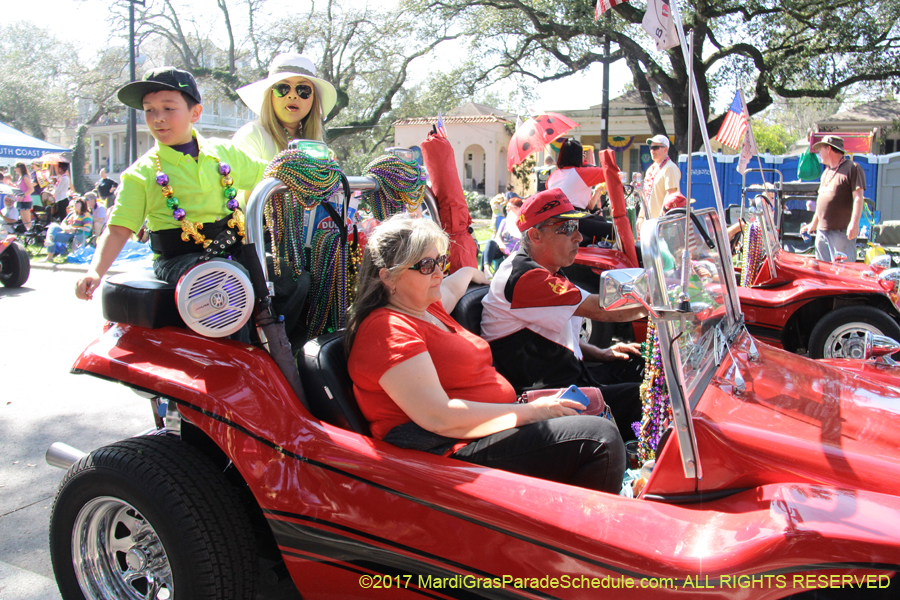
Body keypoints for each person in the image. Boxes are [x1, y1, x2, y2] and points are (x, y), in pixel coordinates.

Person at [345, 214, 625, 493]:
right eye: (427, 265)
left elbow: (453, 284)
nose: (439, 273)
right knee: (599, 439)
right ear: (388, 277)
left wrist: (473, 272)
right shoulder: (387, 330)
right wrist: (531, 412)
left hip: (488, 427)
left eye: (440, 261)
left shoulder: (426, 306)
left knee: (605, 404)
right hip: (448, 452)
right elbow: (438, 417)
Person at [75, 67, 267, 300]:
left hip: (233, 250)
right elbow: (118, 230)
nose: (158, 118)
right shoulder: (141, 173)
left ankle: (276, 325)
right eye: (149, 110)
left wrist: (303, 165)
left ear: (195, 112)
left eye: (168, 108)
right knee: (227, 281)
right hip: (178, 261)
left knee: (288, 275)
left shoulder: (224, 151)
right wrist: (95, 272)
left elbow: (270, 172)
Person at [480, 189, 647, 442]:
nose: (579, 237)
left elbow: (548, 334)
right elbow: (602, 309)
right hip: (548, 398)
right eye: (567, 228)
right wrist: (658, 298)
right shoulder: (526, 277)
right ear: (535, 235)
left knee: (639, 365)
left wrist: (600, 352)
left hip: (570, 379)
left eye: (577, 227)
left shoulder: (546, 269)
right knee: (644, 397)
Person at [232, 53, 338, 342]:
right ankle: (275, 348)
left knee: (340, 271)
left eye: (303, 90)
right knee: (295, 281)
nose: (293, 96)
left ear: (313, 100)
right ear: (271, 95)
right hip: (257, 238)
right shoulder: (251, 135)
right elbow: (244, 200)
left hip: (306, 238)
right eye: (283, 88)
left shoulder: (318, 146)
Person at [799, 135, 864, 262]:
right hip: (822, 232)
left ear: (829, 149)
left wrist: (854, 223)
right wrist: (813, 223)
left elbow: (858, 198)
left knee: (842, 269)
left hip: (841, 232)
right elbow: (821, 200)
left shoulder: (852, 168)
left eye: (820, 149)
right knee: (823, 270)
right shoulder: (826, 172)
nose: (819, 153)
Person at [546, 138, 614, 246]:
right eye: (583, 154)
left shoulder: (552, 177)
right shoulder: (582, 173)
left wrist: (597, 192)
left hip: (557, 219)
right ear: (579, 156)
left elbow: (588, 206)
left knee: (601, 220)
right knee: (613, 230)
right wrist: (587, 164)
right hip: (573, 218)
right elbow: (613, 173)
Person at [641, 134, 681, 221]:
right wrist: (640, 217)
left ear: (665, 149)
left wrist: (661, 218)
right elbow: (645, 195)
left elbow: (671, 195)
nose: (652, 151)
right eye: (651, 148)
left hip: (663, 221)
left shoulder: (670, 168)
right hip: (648, 221)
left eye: (655, 148)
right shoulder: (650, 169)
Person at [481, 197, 523, 275]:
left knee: (484, 253)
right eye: (506, 206)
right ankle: (486, 270)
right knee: (490, 243)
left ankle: (483, 274)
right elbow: (498, 236)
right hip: (503, 250)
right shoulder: (505, 221)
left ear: (517, 208)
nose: (506, 209)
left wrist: (509, 252)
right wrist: (503, 247)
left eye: (509, 207)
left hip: (515, 252)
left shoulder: (523, 222)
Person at [13, 163, 35, 230]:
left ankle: (30, 231)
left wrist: (23, 195)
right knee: (23, 220)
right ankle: (26, 230)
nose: (14, 169)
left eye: (15, 168)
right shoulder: (20, 177)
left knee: (27, 220)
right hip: (20, 201)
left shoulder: (25, 177)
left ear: (19, 168)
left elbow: (31, 189)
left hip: (25, 200)